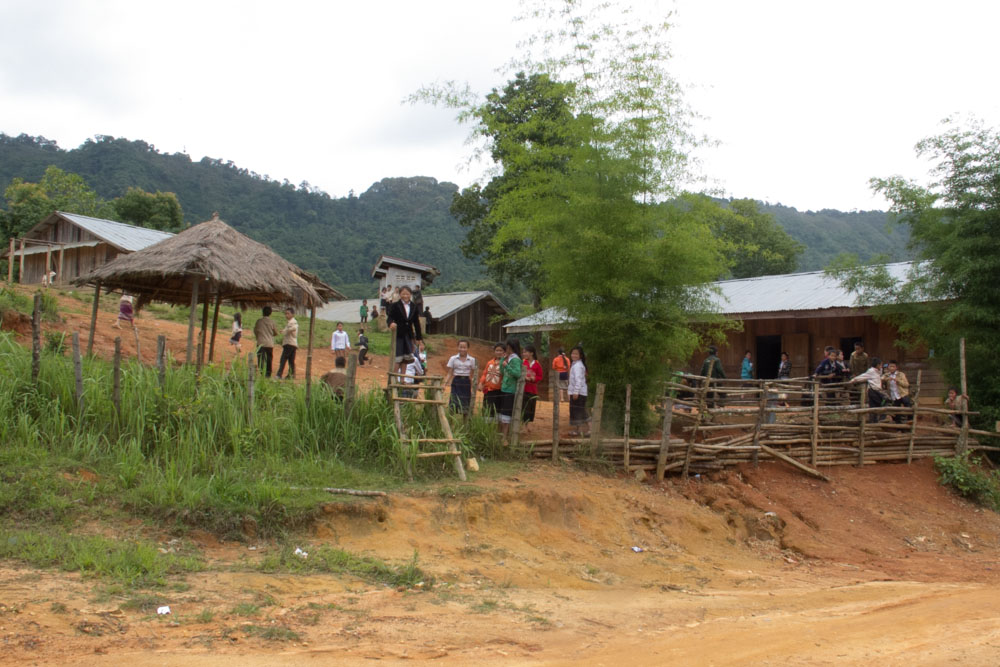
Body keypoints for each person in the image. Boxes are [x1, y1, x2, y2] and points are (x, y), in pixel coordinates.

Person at [386, 285, 424, 375]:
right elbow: (390, 317)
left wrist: (419, 338)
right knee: (398, 357)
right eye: (403, 294)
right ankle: (394, 377)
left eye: (407, 294)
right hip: (398, 334)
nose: (405, 296)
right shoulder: (395, 305)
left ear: (410, 294)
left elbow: (416, 323)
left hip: (408, 334)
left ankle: (402, 378)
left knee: (406, 358)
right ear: (400, 294)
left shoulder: (414, 307)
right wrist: (390, 323)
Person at [498, 338, 523, 438]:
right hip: (504, 388)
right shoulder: (509, 358)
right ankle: (502, 435)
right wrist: (502, 360)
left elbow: (517, 373)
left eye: (507, 347)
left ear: (511, 348)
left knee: (506, 414)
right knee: (503, 413)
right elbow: (502, 371)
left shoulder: (516, 359)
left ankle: (504, 436)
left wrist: (507, 366)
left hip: (510, 389)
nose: (506, 349)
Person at [444, 340, 476, 415]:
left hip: (466, 382)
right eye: (460, 347)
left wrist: (473, 386)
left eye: (464, 347)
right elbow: (449, 373)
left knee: (465, 403)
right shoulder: (453, 358)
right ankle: (451, 420)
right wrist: (444, 384)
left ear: (468, 348)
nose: (462, 349)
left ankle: (465, 422)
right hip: (456, 381)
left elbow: (473, 374)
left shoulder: (472, 360)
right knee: (453, 402)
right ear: (458, 347)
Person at [851, 357, 887, 421]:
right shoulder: (871, 371)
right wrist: (854, 380)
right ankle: (881, 419)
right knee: (883, 402)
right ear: (877, 365)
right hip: (873, 390)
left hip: (878, 390)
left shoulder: (879, 371)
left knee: (874, 405)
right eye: (881, 365)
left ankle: (874, 420)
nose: (881, 366)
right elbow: (863, 376)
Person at [478, 343, 505, 422]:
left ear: (504, 352)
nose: (498, 352)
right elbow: (485, 374)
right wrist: (481, 383)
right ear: (494, 351)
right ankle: (485, 425)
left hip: (498, 390)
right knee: (486, 407)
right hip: (488, 390)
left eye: (501, 350)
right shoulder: (490, 362)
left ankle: (494, 425)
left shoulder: (505, 363)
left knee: (495, 409)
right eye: (497, 350)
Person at [568, 345, 590, 437]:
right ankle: (579, 430)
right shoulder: (575, 364)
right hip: (577, 392)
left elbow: (578, 380)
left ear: (580, 355)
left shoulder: (578, 366)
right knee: (578, 411)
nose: (573, 355)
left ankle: (590, 429)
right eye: (572, 353)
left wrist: (576, 391)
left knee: (580, 411)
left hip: (579, 392)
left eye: (576, 354)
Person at [522, 345, 543, 430]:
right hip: (523, 389)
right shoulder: (522, 362)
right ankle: (522, 424)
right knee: (522, 406)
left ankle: (528, 424)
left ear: (531, 353)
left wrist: (533, 378)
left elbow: (540, 376)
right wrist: (524, 377)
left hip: (532, 390)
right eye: (523, 352)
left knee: (530, 407)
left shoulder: (537, 364)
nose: (524, 354)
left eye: (525, 352)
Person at [253, 306, 278, 378]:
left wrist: (258, 337)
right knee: (269, 359)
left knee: (261, 359)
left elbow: (255, 331)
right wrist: (271, 335)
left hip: (261, 343)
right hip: (269, 343)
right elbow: (276, 333)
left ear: (262, 312)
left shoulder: (259, 321)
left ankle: (262, 373)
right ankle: (268, 374)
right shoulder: (272, 322)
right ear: (270, 313)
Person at [275, 307, 298, 380]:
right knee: (291, 360)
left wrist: (285, 331)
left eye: (288, 314)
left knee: (283, 359)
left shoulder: (293, 322)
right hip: (292, 343)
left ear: (292, 314)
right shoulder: (290, 322)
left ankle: (279, 374)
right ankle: (291, 375)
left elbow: (294, 328)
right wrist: (284, 330)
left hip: (289, 343)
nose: (286, 315)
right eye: (286, 314)